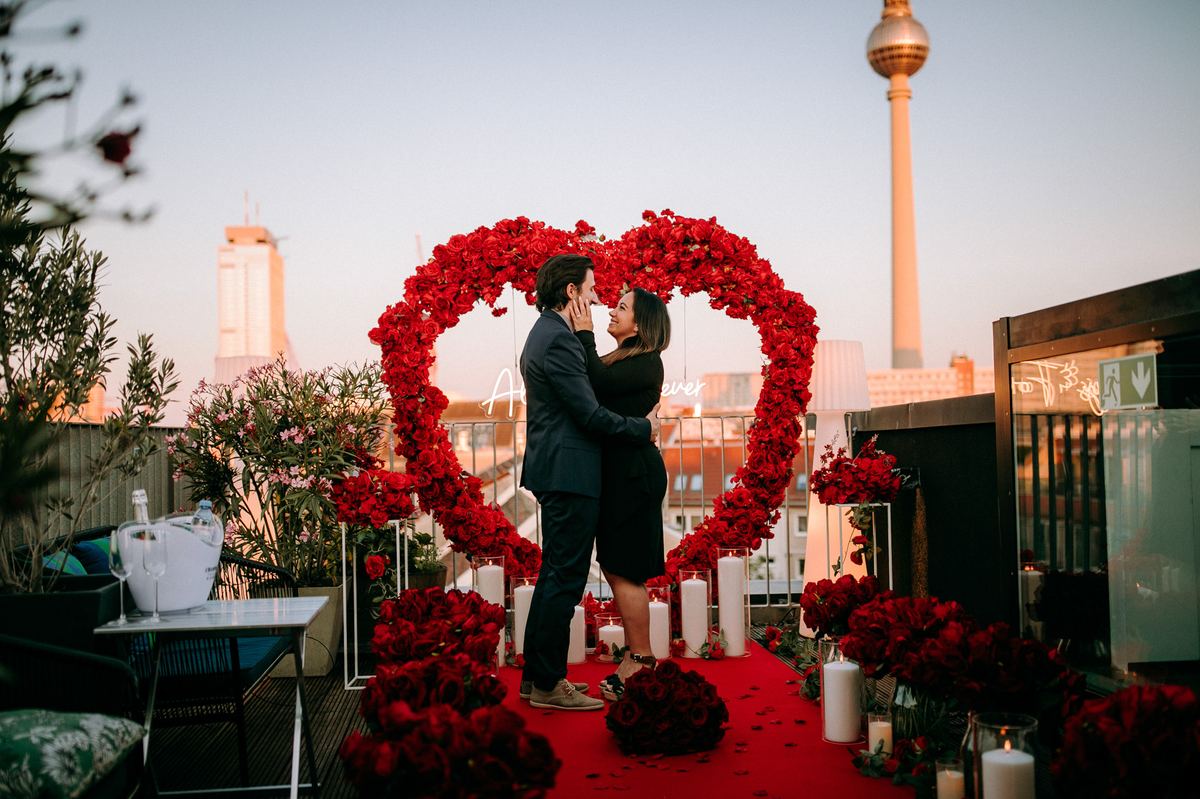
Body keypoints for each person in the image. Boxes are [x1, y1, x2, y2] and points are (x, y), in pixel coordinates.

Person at [519, 253, 660, 711]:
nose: (599, 297)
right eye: (593, 288)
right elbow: (588, 413)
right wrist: (646, 428)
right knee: (563, 577)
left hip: (565, 469)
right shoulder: (558, 339)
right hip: (570, 471)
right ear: (571, 292)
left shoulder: (551, 334)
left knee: (557, 575)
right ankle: (546, 684)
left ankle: (538, 677)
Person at [568, 288, 670, 701]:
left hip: (634, 475)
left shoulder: (647, 362)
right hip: (622, 473)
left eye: (622, 307)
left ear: (641, 324)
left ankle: (641, 659)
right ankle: (637, 657)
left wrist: (584, 331)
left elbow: (598, 381)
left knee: (624, 567)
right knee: (615, 564)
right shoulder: (624, 358)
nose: (612, 310)